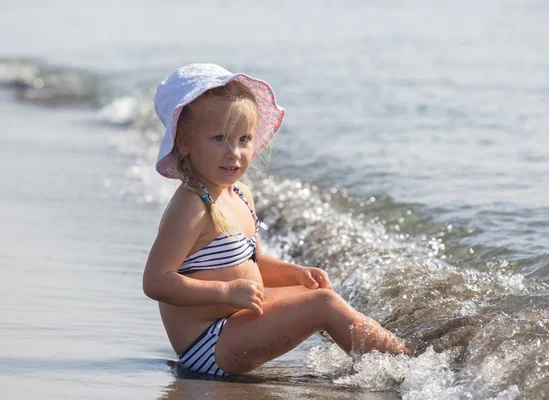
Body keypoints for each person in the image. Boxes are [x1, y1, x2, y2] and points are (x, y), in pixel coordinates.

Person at [143, 64, 412, 377]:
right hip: (209, 345)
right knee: (323, 304)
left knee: (319, 295)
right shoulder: (191, 206)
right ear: (185, 143)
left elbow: (253, 263)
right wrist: (225, 292)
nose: (234, 153)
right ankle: (404, 365)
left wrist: (296, 273)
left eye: (244, 139)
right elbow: (157, 281)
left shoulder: (240, 194)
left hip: (235, 322)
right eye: (219, 139)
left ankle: (374, 364)